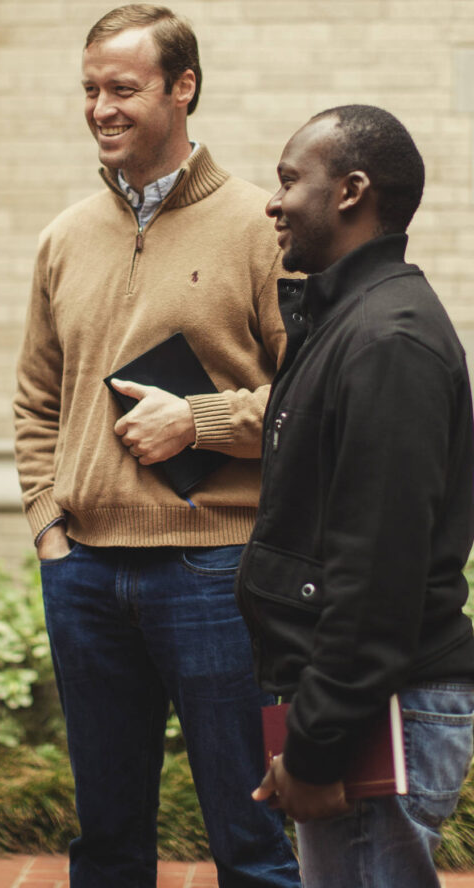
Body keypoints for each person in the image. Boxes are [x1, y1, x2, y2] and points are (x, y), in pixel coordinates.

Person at [13, 3, 300, 887]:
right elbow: (34, 400)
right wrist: (49, 531)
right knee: (106, 843)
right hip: (86, 574)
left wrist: (199, 422)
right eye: (91, 89)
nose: (101, 106)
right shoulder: (64, 236)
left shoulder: (264, 226)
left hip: (217, 569)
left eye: (123, 88)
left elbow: (312, 402)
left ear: (184, 89)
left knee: (249, 838)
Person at [241, 104, 474, 886]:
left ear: (351, 191)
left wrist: (316, 745)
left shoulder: (388, 341)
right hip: (361, 703)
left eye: (288, 180)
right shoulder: (348, 322)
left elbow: (377, 575)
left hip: (384, 711)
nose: (273, 203)